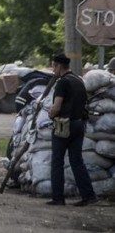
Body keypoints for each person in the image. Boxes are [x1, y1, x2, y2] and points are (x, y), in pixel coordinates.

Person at [47, 53, 98, 206]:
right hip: (78, 124)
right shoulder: (78, 80)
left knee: (57, 161)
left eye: (53, 66)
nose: (52, 69)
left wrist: (51, 113)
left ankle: (58, 198)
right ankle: (88, 195)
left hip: (63, 126)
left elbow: (56, 107)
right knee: (77, 161)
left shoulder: (62, 82)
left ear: (59, 66)